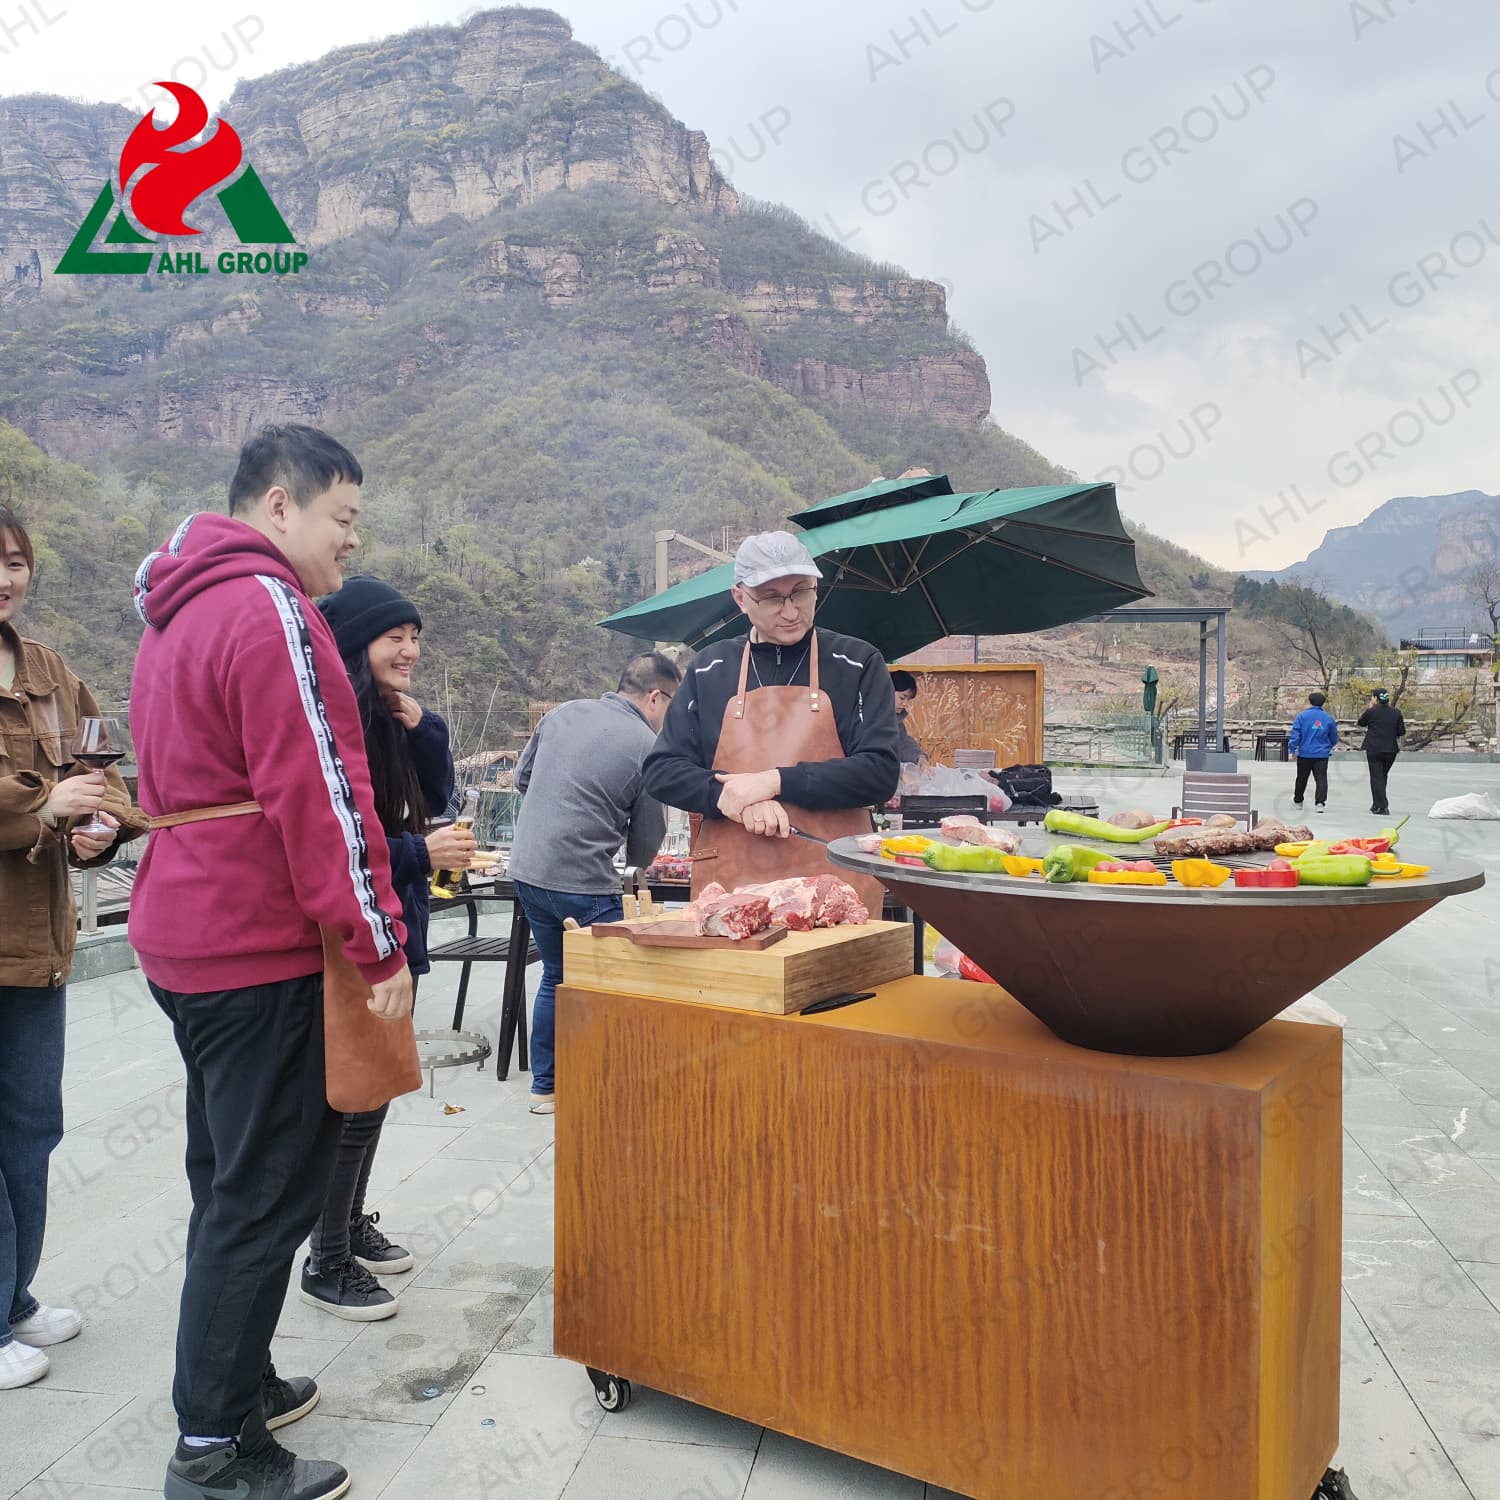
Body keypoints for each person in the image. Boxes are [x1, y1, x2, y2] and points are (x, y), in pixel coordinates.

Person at [130, 425, 412, 1500]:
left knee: (227, 1177)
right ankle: (212, 1449)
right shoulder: (266, 606)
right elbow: (322, 791)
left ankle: (234, 1380)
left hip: (185, 934)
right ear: (281, 505)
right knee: (265, 1195)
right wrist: (377, 937)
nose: (351, 541)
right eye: (342, 517)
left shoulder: (178, 606)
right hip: (254, 945)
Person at [0, 505, 146, 1391]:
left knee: (31, 1126)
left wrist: (100, 825)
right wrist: (33, 806)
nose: (6, 578)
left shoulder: (51, 671)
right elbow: (39, 798)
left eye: (15, 561)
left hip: (38, 943)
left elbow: (109, 779)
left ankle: (13, 1297)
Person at [297, 577, 470, 1320]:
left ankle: (348, 1223)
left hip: (399, 920)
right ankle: (326, 1257)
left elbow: (442, 796)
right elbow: (337, 845)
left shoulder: (390, 719)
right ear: (353, 642)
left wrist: (426, 725)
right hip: (357, 931)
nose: (410, 648)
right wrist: (419, 850)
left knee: (381, 1088)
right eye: (392, 635)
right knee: (354, 1095)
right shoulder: (336, 726)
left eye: (414, 635)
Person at [642, 530, 900, 917]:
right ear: (740, 598)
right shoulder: (710, 667)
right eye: (773, 598)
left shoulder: (857, 662)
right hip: (731, 890)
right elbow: (662, 770)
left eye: (801, 592)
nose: (791, 610)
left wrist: (774, 781)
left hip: (836, 887)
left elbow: (879, 771)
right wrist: (730, 799)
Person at [508, 652, 681, 1115]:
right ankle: (616, 1083)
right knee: (626, 977)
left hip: (526, 871)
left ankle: (546, 1088)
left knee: (558, 975)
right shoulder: (647, 744)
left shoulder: (563, 712)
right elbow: (649, 834)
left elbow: (523, 779)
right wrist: (636, 871)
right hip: (581, 880)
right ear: (655, 697)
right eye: (673, 708)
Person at [1358, 688, 1406, 816]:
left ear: (1375, 698)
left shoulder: (1371, 712)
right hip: (1390, 749)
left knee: (1376, 777)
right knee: (1382, 776)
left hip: (1374, 748)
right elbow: (1401, 731)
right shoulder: (1396, 712)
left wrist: (1370, 707)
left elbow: (1361, 723)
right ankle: (1376, 804)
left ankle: (1382, 806)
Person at [1288, 691, 1338, 813]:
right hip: (1321, 754)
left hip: (1305, 753)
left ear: (1309, 702)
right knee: (1321, 778)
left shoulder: (1302, 716)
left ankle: (1298, 801)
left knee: (1301, 778)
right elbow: (1334, 737)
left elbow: (1296, 735)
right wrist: (1327, 747)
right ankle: (1320, 803)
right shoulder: (1329, 718)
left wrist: (1292, 750)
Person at [890, 669, 926, 765]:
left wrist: (919, 757)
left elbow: (903, 743)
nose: (905, 704)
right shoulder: (871, 718)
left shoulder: (896, 720)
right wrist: (900, 773)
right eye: (902, 697)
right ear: (887, 691)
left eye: (908, 699)